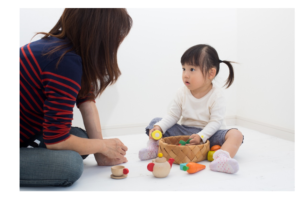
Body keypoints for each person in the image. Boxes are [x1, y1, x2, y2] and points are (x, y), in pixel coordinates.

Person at [20, 8, 133, 187]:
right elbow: (56, 140)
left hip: (25, 132)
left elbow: (87, 103)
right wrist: (103, 146)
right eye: (117, 34)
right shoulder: (62, 60)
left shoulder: (61, 49)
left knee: (81, 137)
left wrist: (100, 152)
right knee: (70, 165)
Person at [139, 44, 244, 174]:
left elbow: (216, 122)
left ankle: (222, 158)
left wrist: (201, 136)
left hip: (211, 134)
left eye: (192, 69)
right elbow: (173, 115)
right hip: (186, 132)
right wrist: (159, 127)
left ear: (211, 73)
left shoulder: (217, 95)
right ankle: (154, 148)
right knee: (155, 122)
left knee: (236, 134)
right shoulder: (182, 92)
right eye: (184, 69)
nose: (185, 75)